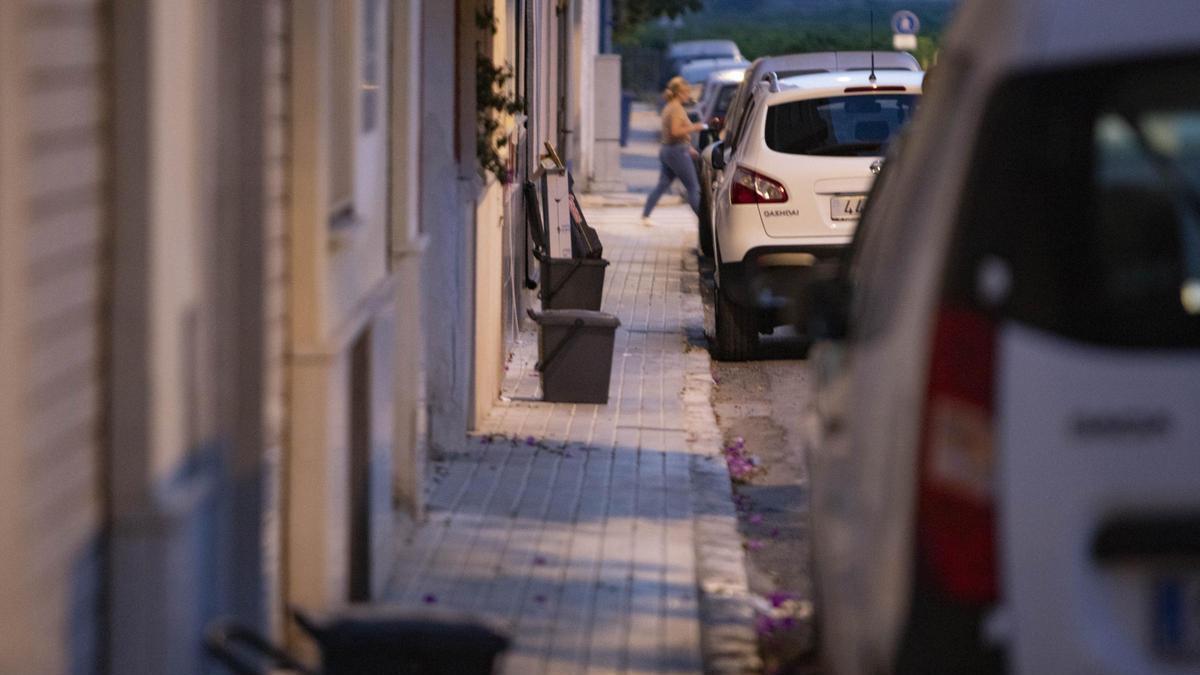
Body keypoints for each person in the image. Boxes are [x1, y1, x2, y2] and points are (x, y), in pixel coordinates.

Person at [641, 76, 706, 227]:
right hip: (676, 151)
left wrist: (689, 146)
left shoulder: (669, 106)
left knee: (663, 184)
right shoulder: (676, 108)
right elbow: (676, 131)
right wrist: (696, 127)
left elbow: (672, 134)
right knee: (693, 187)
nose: (688, 96)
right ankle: (705, 222)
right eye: (686, 92)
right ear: (679, 93)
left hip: (669, 150)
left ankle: (645, 214)